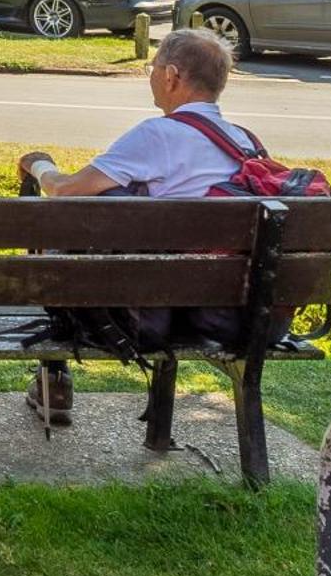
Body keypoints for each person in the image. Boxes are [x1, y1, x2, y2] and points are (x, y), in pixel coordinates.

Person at [16, 27, 264, 426]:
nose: (151, 76)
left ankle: (55, 377)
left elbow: (64, 191)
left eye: (152, 68)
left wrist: (37, 163)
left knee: (60, 251)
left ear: (171, 76)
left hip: (154, 320)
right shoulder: (246, 143)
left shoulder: (158, 134)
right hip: (233, 313)